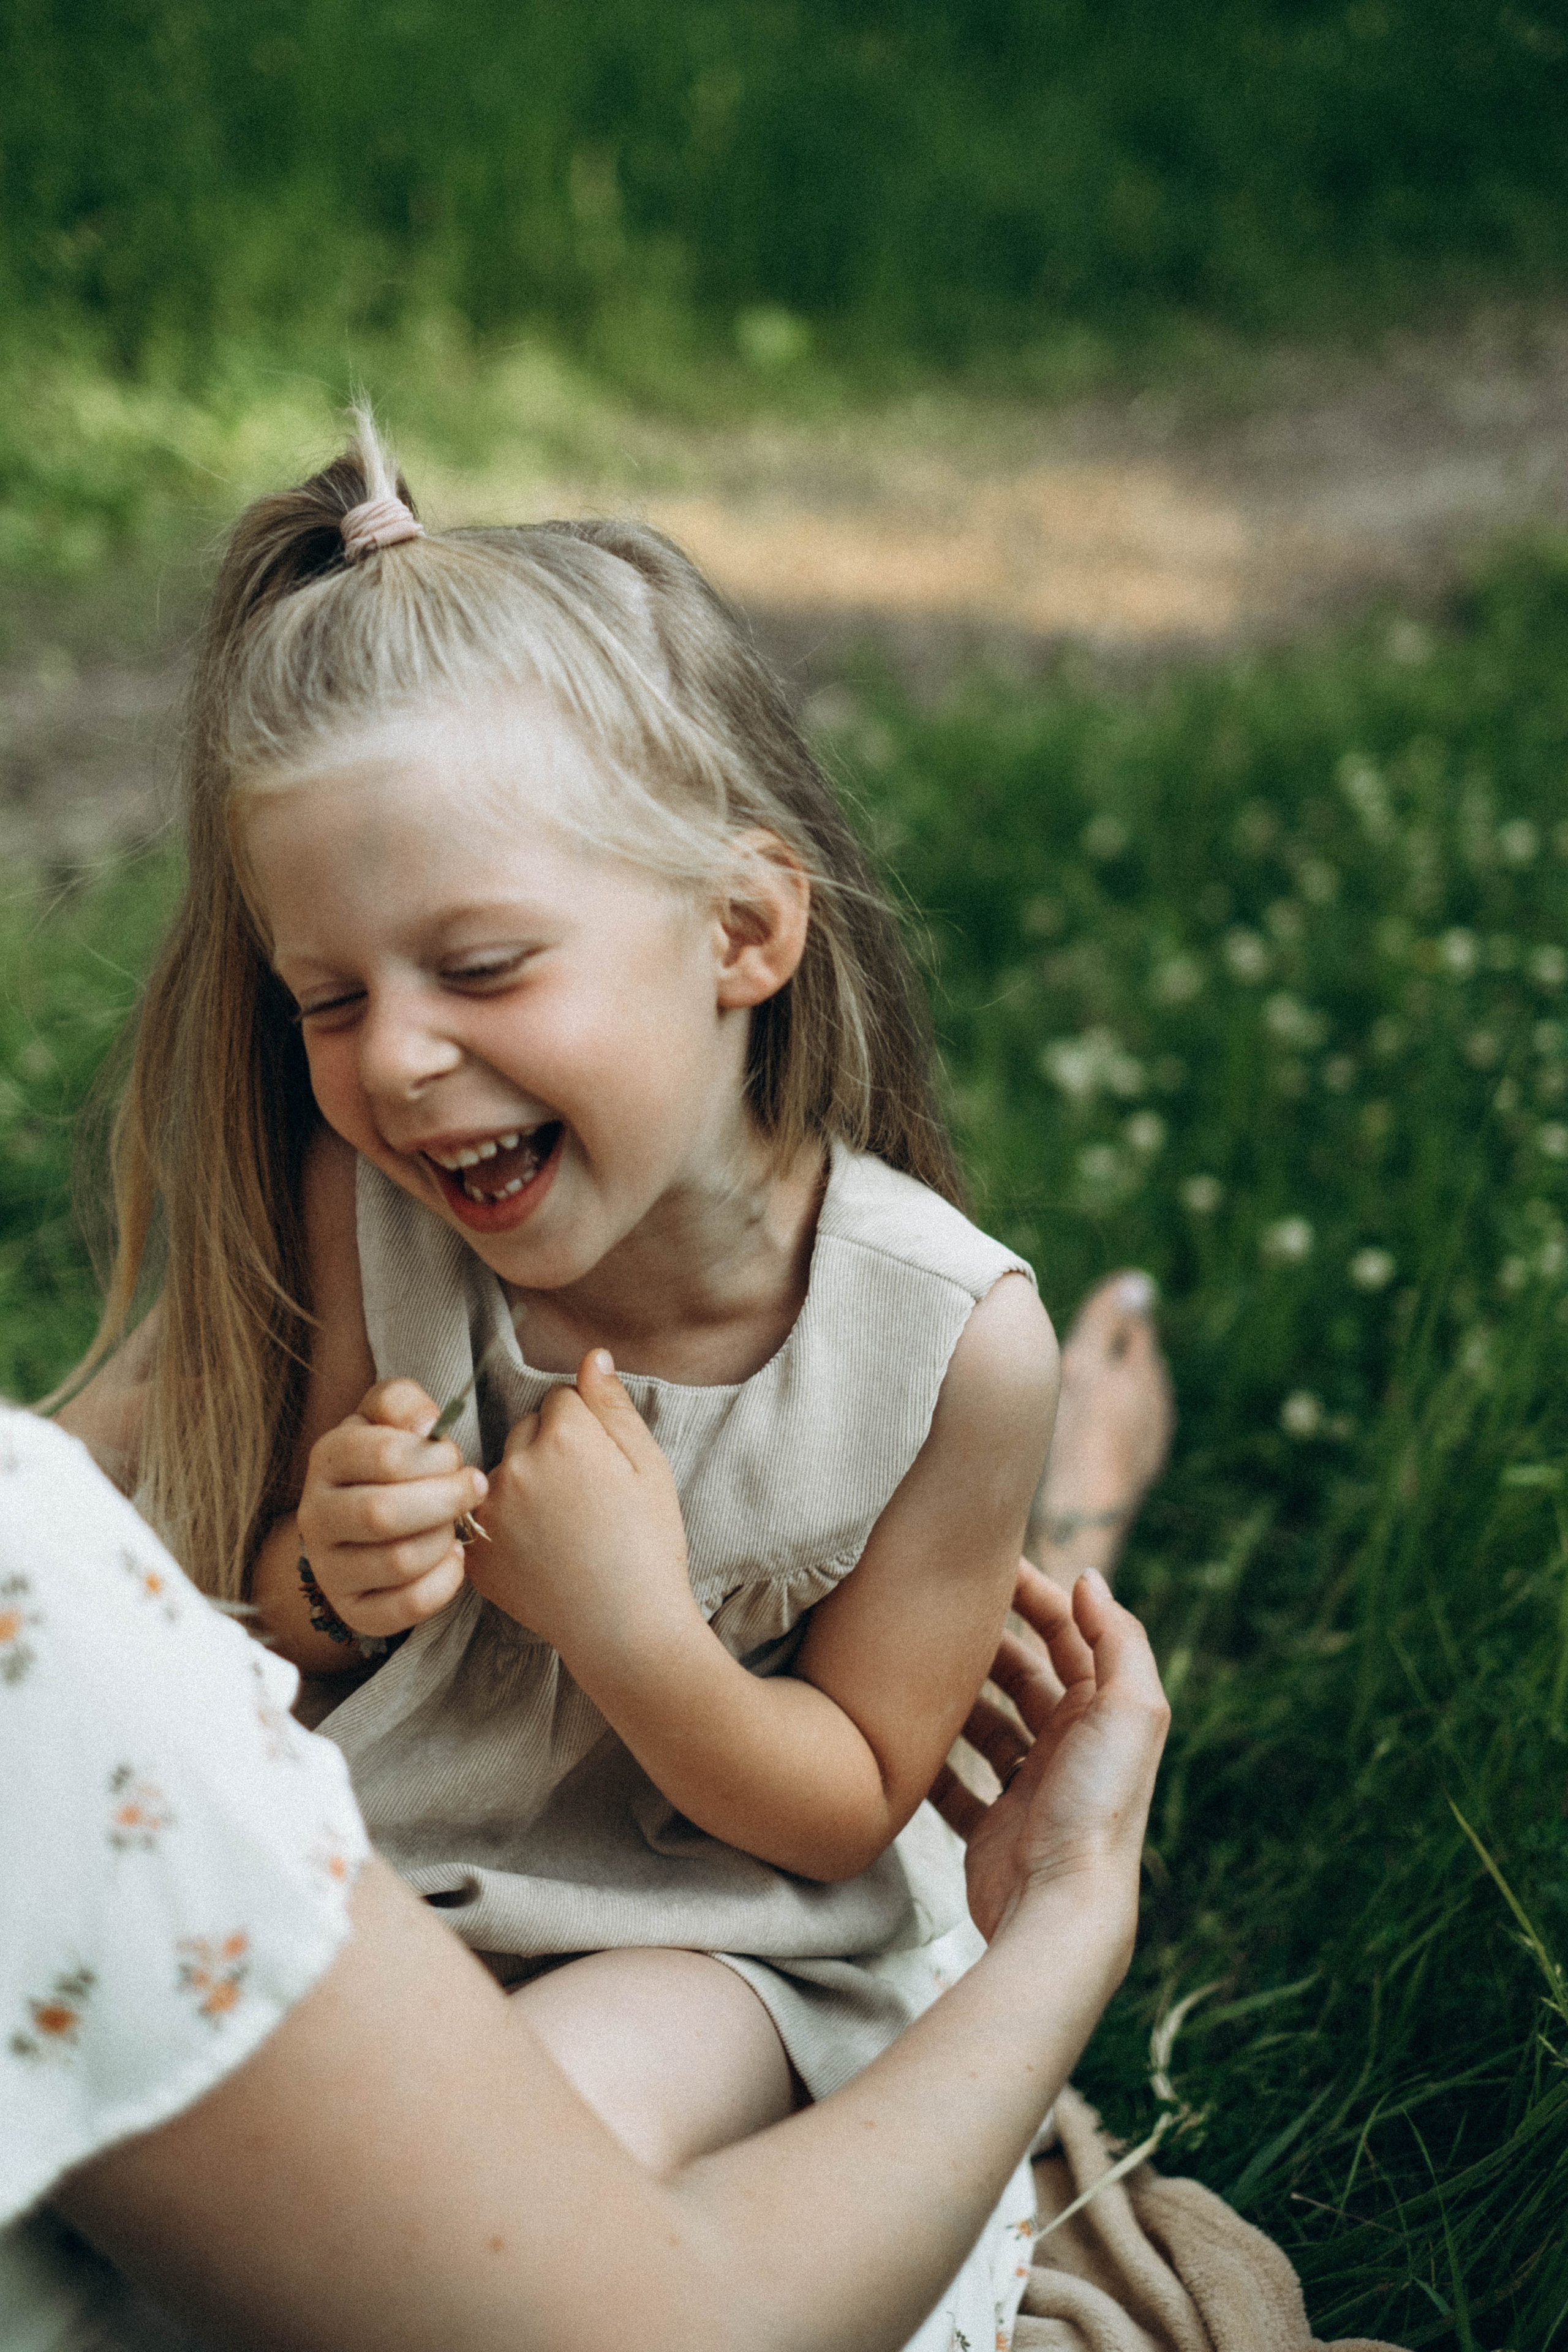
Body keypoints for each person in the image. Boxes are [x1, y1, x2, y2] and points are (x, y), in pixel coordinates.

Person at [57, 409, 1167, 2345]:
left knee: (517, 2169)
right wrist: (329, 1575)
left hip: (712, 1939)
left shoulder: (939, 1340)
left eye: (479, 969)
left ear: (740, 933)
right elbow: (294, 1636)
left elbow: (845, 1809)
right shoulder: (378, 1215)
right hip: (399, 1858)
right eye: (332, 999)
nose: (397, 1060)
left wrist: (636, 1633)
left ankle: (1100, 1501)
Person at [1, 1404, 1169, 2352]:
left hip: (683, 1917)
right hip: (542, 1956)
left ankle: (1014, 1576)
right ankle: (1049, 1560)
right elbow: (683, 2319)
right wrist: (1071, 1912)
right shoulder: (40, 1607)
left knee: (903, 1768)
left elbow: (837, 1830)